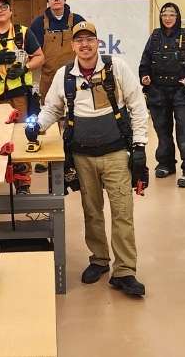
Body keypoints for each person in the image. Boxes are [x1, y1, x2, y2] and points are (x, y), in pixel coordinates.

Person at [29, 21, 149, 296]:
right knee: (92, 212)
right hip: (82, 156)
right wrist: (37, 127)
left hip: (116, 153)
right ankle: (99, 260)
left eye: (89, 39)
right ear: (73, 46)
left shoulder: (116, 68)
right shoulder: (64, 75)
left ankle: (125, 271)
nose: (84, 45)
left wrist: (140, 145)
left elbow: (137, 106)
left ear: (98, 43)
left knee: (122, 213)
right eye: (79, 40)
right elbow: (52, 108)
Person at [138, 2, 185, 187]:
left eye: (172, 14)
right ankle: (165, 164)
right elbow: (145, 61)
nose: (168, 18)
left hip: (181, 93)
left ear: (177, 17)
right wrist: (145, 76)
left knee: (184, 131)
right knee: (162, 131)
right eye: (164, 14)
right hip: (158, 91)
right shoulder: (155, 36)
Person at [28, 0, 86, 100]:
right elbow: (32, 55)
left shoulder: (77, 21)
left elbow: (86, 48)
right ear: (48, 2)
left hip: (75, 79)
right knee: (50, 115)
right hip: (49, 81)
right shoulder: (38, 24)